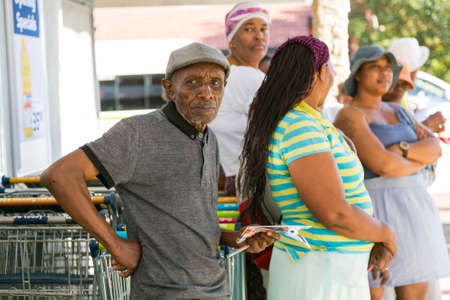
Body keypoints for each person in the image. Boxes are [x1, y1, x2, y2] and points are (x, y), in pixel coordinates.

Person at [41, 42, 278, 299]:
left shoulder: (209, 138)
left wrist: (235, 238)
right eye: (193, 83)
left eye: (216, 84)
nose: (207, 93)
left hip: (217, 290)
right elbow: (59, 176)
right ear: (169, 89)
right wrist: (117, 245)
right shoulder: (138, 134)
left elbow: (195, 222)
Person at [239, 35, 398, 300]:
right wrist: (386, 233)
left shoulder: (310, 122)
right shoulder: (300, 126)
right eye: (332, 68)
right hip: (318, 270)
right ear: (322, 72)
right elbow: (334, 213)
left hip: (329, 268)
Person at [335, 44, 450, 300]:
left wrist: (401, 148)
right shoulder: (350, 115)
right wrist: (415, 160)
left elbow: (434, 148)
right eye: (375, 67)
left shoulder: (399, 111)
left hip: (416, 211)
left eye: (389, 68)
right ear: (357, 74)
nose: (385, 73)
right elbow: (382, 165)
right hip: (376, 210)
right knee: (373, 291)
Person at [210, 1, 270, 197]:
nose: (259, 36)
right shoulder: (247, 76)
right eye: (249, 28)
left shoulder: (220, 71)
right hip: (246, 180)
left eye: (263, 29)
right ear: (231, 38)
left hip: (224, 177)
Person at [388, 37, 446, 133]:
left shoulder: (401, 94)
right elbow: (397, 140)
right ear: (413, 70)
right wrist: (427, 126)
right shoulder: (391, 95)